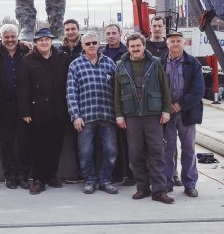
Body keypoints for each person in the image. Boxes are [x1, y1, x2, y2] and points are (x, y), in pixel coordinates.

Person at [114, 34, 173, 204]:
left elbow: (164, 88)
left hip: (152, 115)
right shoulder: (121, 65)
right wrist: (119, 114)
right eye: (132, 46)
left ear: (143, 45)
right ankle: (142, 188)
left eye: (138, 46)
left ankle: (159, 191)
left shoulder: (155, 63)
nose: (135, 49)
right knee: (135, 154)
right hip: (131, 116)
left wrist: (166, 110)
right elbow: (117, 93)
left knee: (157, 153)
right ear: (128, 48)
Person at [17, 28, 69, 194]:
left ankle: (51, 175)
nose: (44, 42)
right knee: (38, 147)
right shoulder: (27, 60)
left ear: (52, 41)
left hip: (59, 110)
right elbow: (23, 88)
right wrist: (25, 111)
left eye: (47, 39)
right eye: (40, 40)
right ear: (35, 43)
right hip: (37, 112)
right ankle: (38, 179)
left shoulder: (62, 58)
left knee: (55, 147)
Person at [66, 31, 118, 195]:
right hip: (85, 117)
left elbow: (118, 91)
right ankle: (89, 180)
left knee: (110, 151)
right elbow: (71, 93)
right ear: (82, 46)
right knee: (85, 152)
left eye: (94, 43)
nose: (91, 46)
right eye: (88, 44)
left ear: (99, 44)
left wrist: (119, 114)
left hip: (107, 115)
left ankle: (105, 180)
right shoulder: (75, 65)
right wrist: (76, 115)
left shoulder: (110, 63)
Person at [162, 31, 204, 197]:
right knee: (168, 149)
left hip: (187, 112)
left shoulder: (193, 64)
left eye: (178, 41)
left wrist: (180, 105)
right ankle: (167, 183)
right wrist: (166, 107)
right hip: (167, 113)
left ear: (184, 43)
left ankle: (190, 184)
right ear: (167, 44)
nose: (175, 44)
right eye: (172, 42)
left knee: (188, 148)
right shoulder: (160, 63)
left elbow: (198, 90)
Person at [0, 23, 31, 189]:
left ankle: (23, 175)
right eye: (6, 37)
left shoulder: (26, 51)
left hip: (23, 105)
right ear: (1, 38)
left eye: (13, 37)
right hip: (3, 105)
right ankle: (10, 175)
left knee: (24, 142)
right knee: (6, 143)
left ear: (18, 37)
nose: (10, 40)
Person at [103, 23, 131, 185]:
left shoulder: (127, 53)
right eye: (108, 33)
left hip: (125, 104)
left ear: (120, 34)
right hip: (107, 104)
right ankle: (117, 173)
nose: (111, 36)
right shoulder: (101, 53)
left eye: (114, 33)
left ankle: (131, 174)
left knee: (128, 142)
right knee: (111, 143)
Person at [61, 18, 84, 183]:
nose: (70, 32)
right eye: (67, 29)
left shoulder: (86, 47)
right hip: (63, 101)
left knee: (82, 139)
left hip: (82, 101)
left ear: (78, 30)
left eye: (73, 29)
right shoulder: (59, 50)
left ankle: (84, 172)